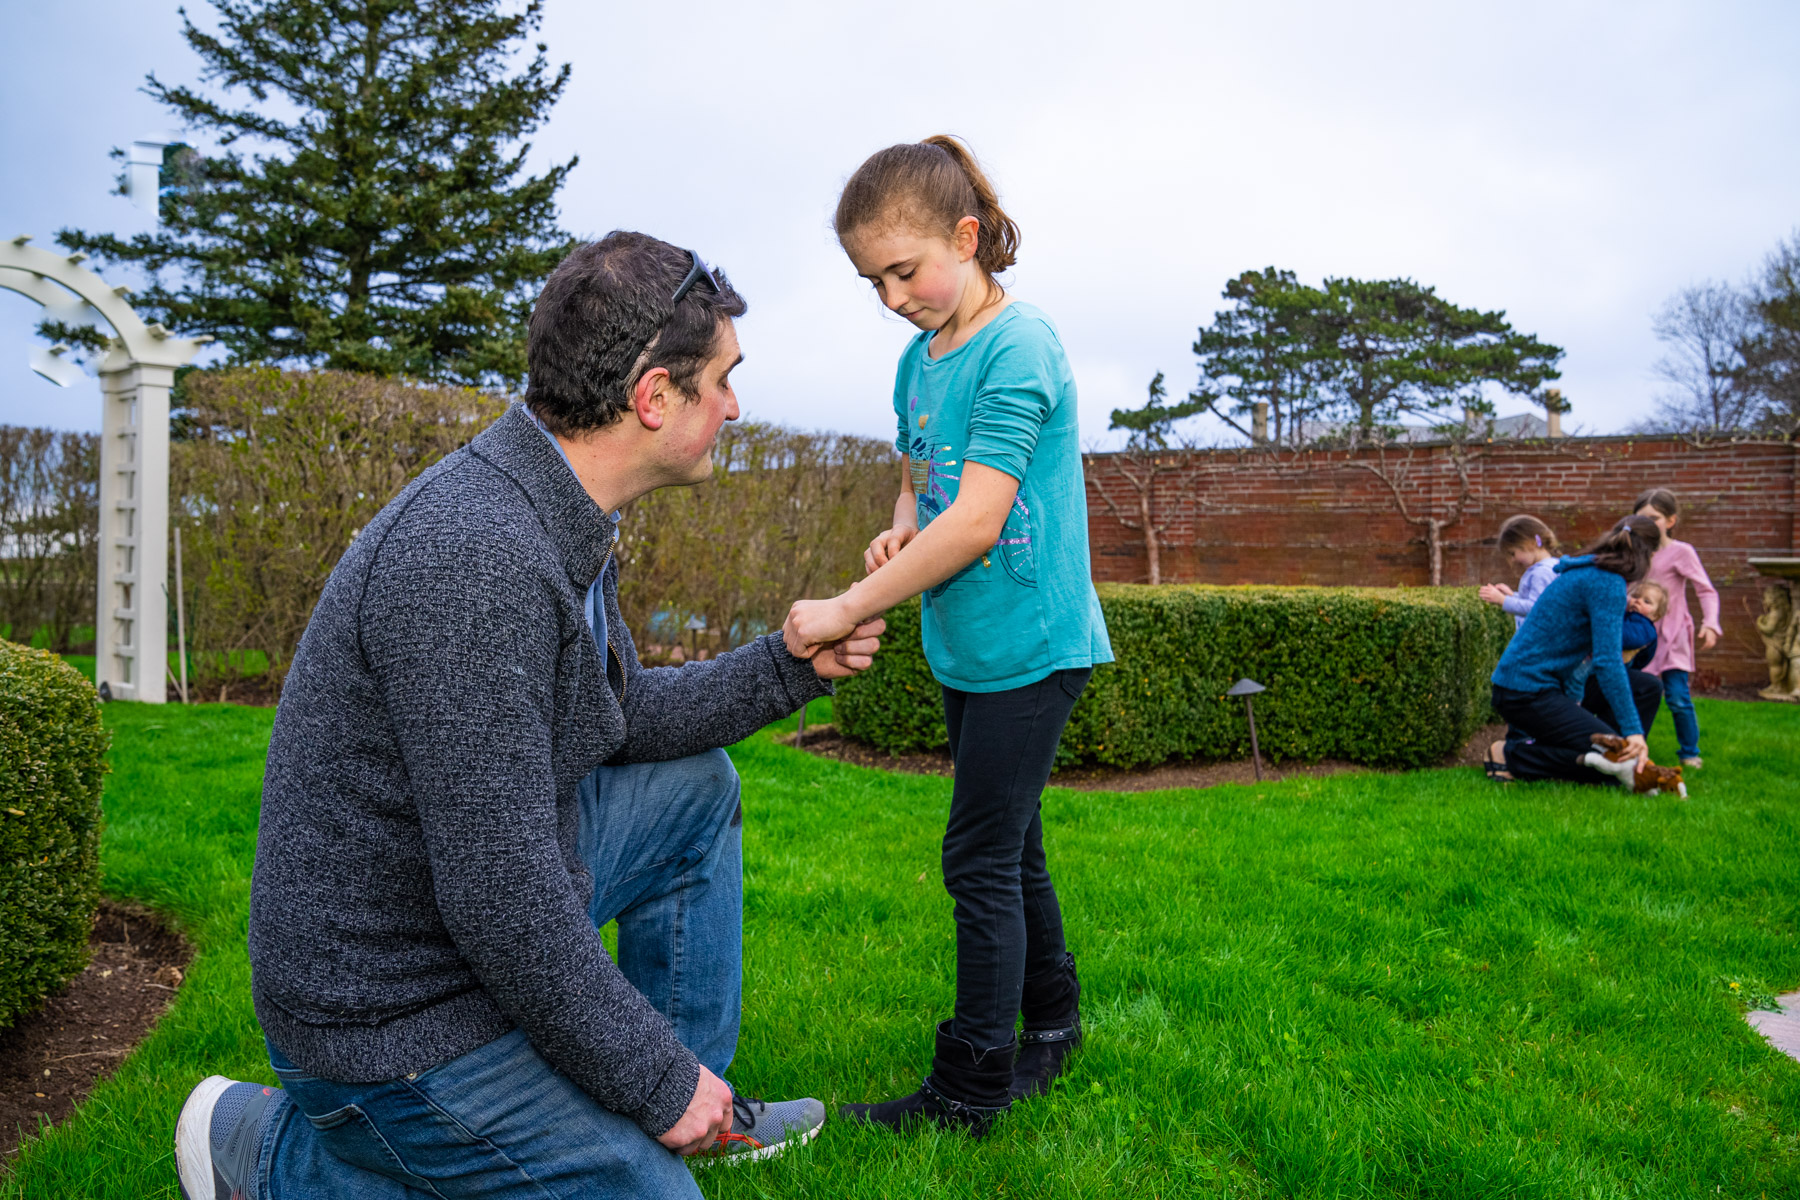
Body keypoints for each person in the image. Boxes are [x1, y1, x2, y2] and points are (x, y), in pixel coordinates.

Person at [173, 232, 888, 1200]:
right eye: (720, 381)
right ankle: (266, 1150)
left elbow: (619, 716)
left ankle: (684, 1118)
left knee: (695, 793)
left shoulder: (560, 512)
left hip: (465, 919)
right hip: (391, 1014)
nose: (733, 406)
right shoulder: (475, 558)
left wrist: (788, 667)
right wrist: (652, 1075)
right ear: (652, 397)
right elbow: (501, 900)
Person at [782, 136, 1113, 1137]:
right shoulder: (917, 364)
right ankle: (1053, 1029)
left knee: (976, 858)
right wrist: (898, 525)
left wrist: (847, 606)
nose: (891, 297)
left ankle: (970, 1090)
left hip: (1036, 645)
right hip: (967, 648)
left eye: (903, 270)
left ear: (965, 239)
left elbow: (979, 518)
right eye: (869, 281)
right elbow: (928, 487)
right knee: (1012, 850)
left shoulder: (1022, 347)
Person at [1486, 516, 1664, 787]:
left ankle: (1612, 751)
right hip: (1525, 691)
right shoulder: (1607, 583)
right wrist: (1633, 731)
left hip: (1551, 683)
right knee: (1613, 767)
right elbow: (1607, 663)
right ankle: (1512, 756)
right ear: (1648, 554)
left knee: (1646, 687)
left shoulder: (1593, 572)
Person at [1632, 488, 1722, 769]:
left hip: (1673, 638)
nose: (1648, 524)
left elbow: (1705, 590)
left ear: (1670, 521)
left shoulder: (1681, 552)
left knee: (1677, 697)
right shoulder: (1633, 552)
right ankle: (1632, 748)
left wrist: (1710, 623)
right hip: (1639, 637)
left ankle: (1689, 752)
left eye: (1654, 518)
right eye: (1641, 518)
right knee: (1635, 693)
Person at [1478, 514, 1560, 629]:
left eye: (1513, 553)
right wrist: (1512, 596)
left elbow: (1535, 608)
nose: (1513, 559)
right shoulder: (1552, 565)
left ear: (1529, 543)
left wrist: (1503, 600)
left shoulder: (1541, 573)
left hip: (1537, 640)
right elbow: (1538, 599)